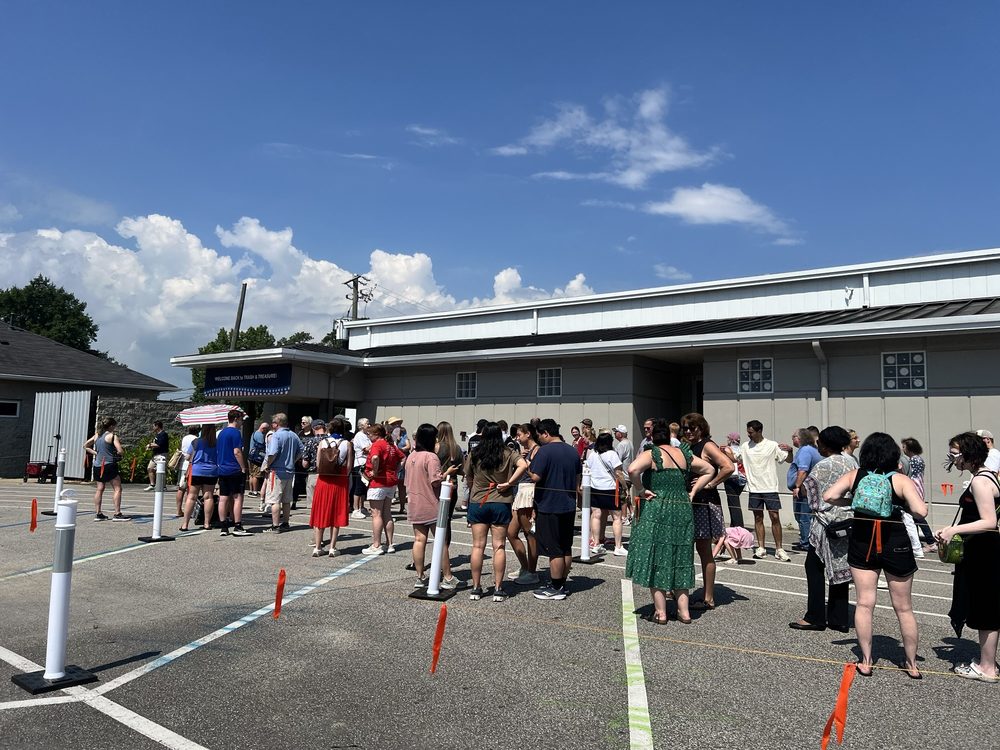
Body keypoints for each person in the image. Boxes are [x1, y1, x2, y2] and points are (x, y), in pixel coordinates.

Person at [824, 432, 928, 678]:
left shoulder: (855, 475)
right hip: (895, 540)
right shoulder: (900, 479)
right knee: (904, 608)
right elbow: (920, 511)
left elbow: (829, 496)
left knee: (864, 603)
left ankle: (867, 661)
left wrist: (852, 503)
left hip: (863, 539)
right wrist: (899, 504)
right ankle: (911, 665)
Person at [626, 419, 713, 624]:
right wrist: (692, 491)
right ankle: (684, 612)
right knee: (681, 555)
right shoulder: (684, 453)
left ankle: (661, 612)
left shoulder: (652, 453)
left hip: (658, 506)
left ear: (652, 436)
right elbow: (709, 470)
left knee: (657, 554)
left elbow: (632, 470)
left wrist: (639, 489)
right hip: (681, 505)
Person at [938, 432, 1000, 682]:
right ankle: (989, 663)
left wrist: (954, 529)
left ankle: (986, 668)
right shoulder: (989, 477)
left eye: (955, 453)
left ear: (968, 454)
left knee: (986, 608)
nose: (953, 459)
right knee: (989, 606)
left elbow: (989, 521)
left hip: (984, 551)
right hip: (985, 549)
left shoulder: (980, 481)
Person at [789, 426, 857, 633]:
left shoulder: (824, 465)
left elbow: (811, 493)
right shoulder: (851, 461)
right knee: (840, 567)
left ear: (825, 444)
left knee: (814, 567)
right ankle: (839, 618)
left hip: (826, 522)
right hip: (848, 521)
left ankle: (815, 616)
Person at [465, 423, 527, 601]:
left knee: (478, 546)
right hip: (501, 501)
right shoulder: (508, 452)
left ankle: (476, 588)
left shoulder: (475, 453)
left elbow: (468, 476)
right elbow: (523, 465)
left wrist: (474, 488)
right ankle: (498, 588)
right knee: (499, 545)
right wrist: (509, 483)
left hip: (479, 502)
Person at [680, 413, 734, 610]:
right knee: (687, 547)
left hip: (704, 503)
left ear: (701, 428)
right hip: (691, 502)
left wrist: (711, 483)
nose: (688, 431)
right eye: (685, 428)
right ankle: (682, 591)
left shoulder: (707, 445)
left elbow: (728, 467)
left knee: (703, 550)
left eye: (692, 428)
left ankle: (708, 598)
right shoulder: (688, 446)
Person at [528, 419, 582, 600]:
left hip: (549, 505)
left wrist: (524, 466)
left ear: (545, 433)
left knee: (554, 549)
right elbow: (577, 478)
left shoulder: (544, 452)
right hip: (568, 504)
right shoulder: (572, 451)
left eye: (540, 436)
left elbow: (535, 477)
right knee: (565, 546)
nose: (539, 439)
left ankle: (556, 586)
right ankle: (562, 583)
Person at [740, 420, 793, 561]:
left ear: (759, 431)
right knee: (758, 517)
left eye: (751, 432)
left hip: (770, 487)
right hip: (754, 488)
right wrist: (724, 451)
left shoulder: (772, 445)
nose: (748, 434)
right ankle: (761, 547)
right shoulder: (745, 446)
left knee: (775, 517)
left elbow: (787, 460)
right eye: (748, 432)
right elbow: (734, 457)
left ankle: (779, 549)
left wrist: (791, 451)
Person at [402, 423, 445, 583]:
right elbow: (435, 481)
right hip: (431, 504)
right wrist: (446, 478)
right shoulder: (431, 457)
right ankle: (446, 575)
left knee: (419, 540)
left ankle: (420, 576)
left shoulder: (411, 456)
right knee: (440, 541)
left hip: (414, 503)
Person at [310, 417, 352, 557]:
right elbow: (349, 466)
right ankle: (333, 547)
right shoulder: (347, 444)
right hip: (339, 480)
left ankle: (317, 547)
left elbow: (317, 464)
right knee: (336, 513)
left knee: (321, 511)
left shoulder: (322, 442)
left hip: (324, 480)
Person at [507, 422, 540, 585]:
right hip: (521, 492)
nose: (517, 438)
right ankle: (525, 567)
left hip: (528, 492)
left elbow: (536, 475)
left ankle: (532, 572)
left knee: (529, 533)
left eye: (520, 434)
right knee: (511, 533)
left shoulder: (537, 451)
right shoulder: (527, 451)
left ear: (528, 434)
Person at [585, 432, 627, 556]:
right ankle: (618, 546)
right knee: (617, 517)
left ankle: (596, 543)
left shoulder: (593, 454)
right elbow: (618, 473)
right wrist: (625, 486)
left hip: (595, 488)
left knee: (596, 515)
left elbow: (588, 469)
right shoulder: (612, 454)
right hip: (610, 488)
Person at [432, 420, 463, 590]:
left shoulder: (435, 447)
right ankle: (445, 552)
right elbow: (462, 468)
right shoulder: (456, 448)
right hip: (453, 485)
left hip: (439, 485)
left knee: (436, 521)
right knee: (447, 521)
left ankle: (439, 555)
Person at [364, 423, 403, 555]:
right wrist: (396, 470)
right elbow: (403, 458)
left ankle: (376, 545)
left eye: (369, 434)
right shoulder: (390, 445)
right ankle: (390, 543)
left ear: (376, 434)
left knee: (376, 514)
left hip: (379, 482)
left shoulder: (377, 444)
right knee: (387, 513)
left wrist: (374, 471)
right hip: (391, 481)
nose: (368, 436)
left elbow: (375, 457)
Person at [261, 413, 304, 533]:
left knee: (275, 500)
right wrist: (293, 460)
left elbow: (272, 453)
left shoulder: (276, 436)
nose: (272, 425)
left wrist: (267, 465)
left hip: (277, 472)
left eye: (273, 423)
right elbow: (301, 450)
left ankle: (275, 526)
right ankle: (286, 523)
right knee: (286, 500)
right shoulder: (293, 435)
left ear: (277, 423)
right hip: (290, 471)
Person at [84, 417, 125, 521]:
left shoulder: (97, 435)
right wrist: (119, 453)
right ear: (111, 426)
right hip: (109, 464)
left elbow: (85, 446)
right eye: (114, 426)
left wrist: (96, 453)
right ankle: (117, 513)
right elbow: (120, 450)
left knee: (100, 489)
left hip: (98, 465)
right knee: (117, 488)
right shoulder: (112, 436)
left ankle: (98, 513)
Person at [216, 410, 250, 536]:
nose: (241, 422)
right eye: (241, 419)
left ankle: (223, 526)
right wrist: (243, 467)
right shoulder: (236, 433)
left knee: (223, 497)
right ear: (236, 419)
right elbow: (237, 452)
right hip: (234, 468)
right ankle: (237, 525)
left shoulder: (221, 433)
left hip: (222, 468)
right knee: (237, 497)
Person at [789, 428, 822, 551]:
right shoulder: (811, 450)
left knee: (803, 517)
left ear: (799, 438)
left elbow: (802, 470)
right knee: (805, 516)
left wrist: (797, 486)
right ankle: (807, 540)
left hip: (804, 489)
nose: (792, 439)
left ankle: (806, 543)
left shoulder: (805, 451)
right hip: (809, 488)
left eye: (793, 436)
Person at [182, 424, 219, 532]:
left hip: (197, 470)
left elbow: (188, 457)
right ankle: (207, 523)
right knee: (208, 497)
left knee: (191, 496)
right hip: (211, 471)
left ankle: (185, 524)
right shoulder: (216, 443)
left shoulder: (196, 441)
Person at [901, 437, 935, 551]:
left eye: (904, 446)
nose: (903, 449)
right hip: (918, 488)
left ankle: (930, 541)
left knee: (918, 517)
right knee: (913, 517)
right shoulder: (917, 459)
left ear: (909, 448)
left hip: (914, 489)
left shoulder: (913, 460)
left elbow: (910, 475)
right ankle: (917, 542)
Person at [721, 432, 746, 528]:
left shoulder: (728, 449)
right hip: (742, 478)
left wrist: (723, 452)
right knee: (734, 500)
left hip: (731, 477)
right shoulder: (742, 449)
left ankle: (738, 525)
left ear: (730, 440)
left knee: (733, 502)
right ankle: (734, 523)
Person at [174, 426, 199, 517]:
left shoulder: (184, 438)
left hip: (182, 465)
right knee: (190, 490)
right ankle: (189, 510)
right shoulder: (196, 439)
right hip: (190, 466)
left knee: (181, 489)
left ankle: (179, 510)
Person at [350, 417, 372, 518]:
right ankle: (355, 509)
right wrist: (376, 444)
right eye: (367, 423)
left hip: (366, 463)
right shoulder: (359, 436)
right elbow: (366, 449)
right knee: (358, 486)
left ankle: (362, 507)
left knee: (364, 486)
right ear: (361, 426)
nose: (369, 425)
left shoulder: (366, 435)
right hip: (360, 463)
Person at [144, 421, 169, 491]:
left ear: (157, 426)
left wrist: (149, 445)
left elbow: (159, 444)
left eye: (153, 426)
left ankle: (163, 486)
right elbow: (155, 443)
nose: (153, 427)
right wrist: (151, 446)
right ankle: (152, 485)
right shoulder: (157, 435)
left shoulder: (163, 434)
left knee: (161, 470)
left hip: (161, 455)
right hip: (155, 455)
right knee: (150, 468)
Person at [246, 422, 268, 497]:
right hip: (256, 458)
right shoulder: (260, 435)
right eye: (266, 429)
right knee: (256, 475)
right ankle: (255, 491)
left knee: (251, 474)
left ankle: (251, 490)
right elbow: (262, 446)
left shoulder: (254, 433)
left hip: (250, 457)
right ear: (263, 428)